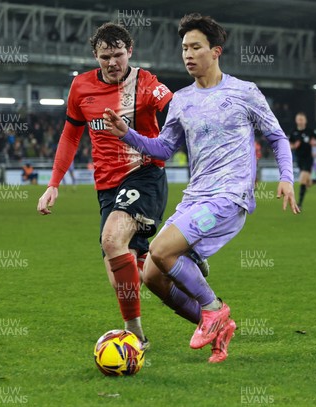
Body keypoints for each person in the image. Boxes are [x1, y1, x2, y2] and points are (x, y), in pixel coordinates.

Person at [103, 13, 299, 363]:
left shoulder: (244, 92)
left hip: (230, 196)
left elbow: (277, 136)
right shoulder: (181, 100)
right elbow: (164, 148)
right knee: (151, 274)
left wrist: (286, 177)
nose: (188, 54)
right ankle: (217, 327)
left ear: (216, 51)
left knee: (161, 250)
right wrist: (127, 134)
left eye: (196, 47)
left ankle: (213, 309)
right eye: (184, 48)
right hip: (196, 197)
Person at [37, 22, 175, 346]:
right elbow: (71, 135)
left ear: (130, 51)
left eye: (118, 55)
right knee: (121, 277)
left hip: (145, 174)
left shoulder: (145, 82)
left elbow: (176, 110)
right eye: (104, 57)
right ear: (95, 56)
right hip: (107, 187)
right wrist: (53, 183)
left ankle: (135, 338)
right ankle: (176, 258)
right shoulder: (81, 87)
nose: (112, 63)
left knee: (112, 240)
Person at [289, 112, 316, 208]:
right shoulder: (293, 132)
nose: (300, 121)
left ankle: (299, 204)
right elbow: (289, 145)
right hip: (299, 159)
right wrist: (293, 146)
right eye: (298, 119)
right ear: (296, 120)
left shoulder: (310, 131)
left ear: (305, 121)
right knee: (307, 183)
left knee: (302, 180)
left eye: (302, 119)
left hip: (308, 159)